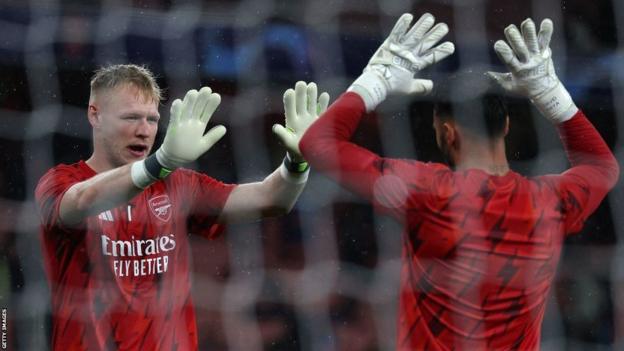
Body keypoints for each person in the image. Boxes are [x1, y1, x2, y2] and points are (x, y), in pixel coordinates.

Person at [299, 13, 619, 350]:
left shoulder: (427, 191)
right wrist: (551, 94)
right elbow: (602, 168)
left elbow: (317, 144)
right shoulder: (549, 202)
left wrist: (376, 80)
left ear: (447, 134)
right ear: (506, 126)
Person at [34, 64, 329, 350]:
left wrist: (296, 162)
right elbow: (81, 202)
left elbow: (271, 199)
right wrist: (158, 163)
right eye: (130, 117)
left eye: (151, 119)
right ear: (94, 116)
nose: (143, 130)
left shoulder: (178, 186)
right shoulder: (60, 181)